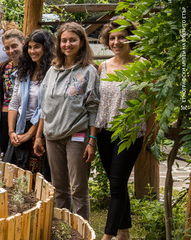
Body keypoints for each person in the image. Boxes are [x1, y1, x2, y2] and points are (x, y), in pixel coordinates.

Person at [33, 22, 99, 221]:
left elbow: (94, 108)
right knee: (59, 188)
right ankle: (63, 228)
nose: (68, 44)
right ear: (58, 44)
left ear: (81, 42)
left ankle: (81, 229)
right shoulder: (52, 70)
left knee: (79, 188)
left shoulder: (88, 71)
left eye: (72, 40)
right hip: (52, 136)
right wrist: (38, 137)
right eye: (64, 40)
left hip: (77, 136)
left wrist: (92, 141)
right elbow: (45, 107)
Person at [96, 18, 145, 240]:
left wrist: (150, 133)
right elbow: (97, 104)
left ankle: (108, 236)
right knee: (117, 182)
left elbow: (151, 104)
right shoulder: (102, 67)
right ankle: (124, 232)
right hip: (105, 132)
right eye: (112, 37)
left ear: (131, 39)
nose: (116, 41)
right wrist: (92, 136)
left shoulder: (143, 65)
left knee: (116, 184)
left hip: (130, 132)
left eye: (121, 37)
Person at [3, 29, 54, 182]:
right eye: (30, 47)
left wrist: (29, 135)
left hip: (40, 129)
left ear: (46, 47)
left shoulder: (52, 71)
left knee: (36, 179)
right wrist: (12, 132)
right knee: (15, 176)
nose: (33, 51)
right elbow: (14, 103)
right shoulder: (24, 71)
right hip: (20, 126)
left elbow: (46, 107)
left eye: (37, 46)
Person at [0, 29, 24, 155]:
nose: (11, 51)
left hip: (23, 116)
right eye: (7, 48)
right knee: (7, 153)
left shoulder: (30, 65)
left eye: (14, 46)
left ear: (23, 43)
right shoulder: (4, 66)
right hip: (5, 116)